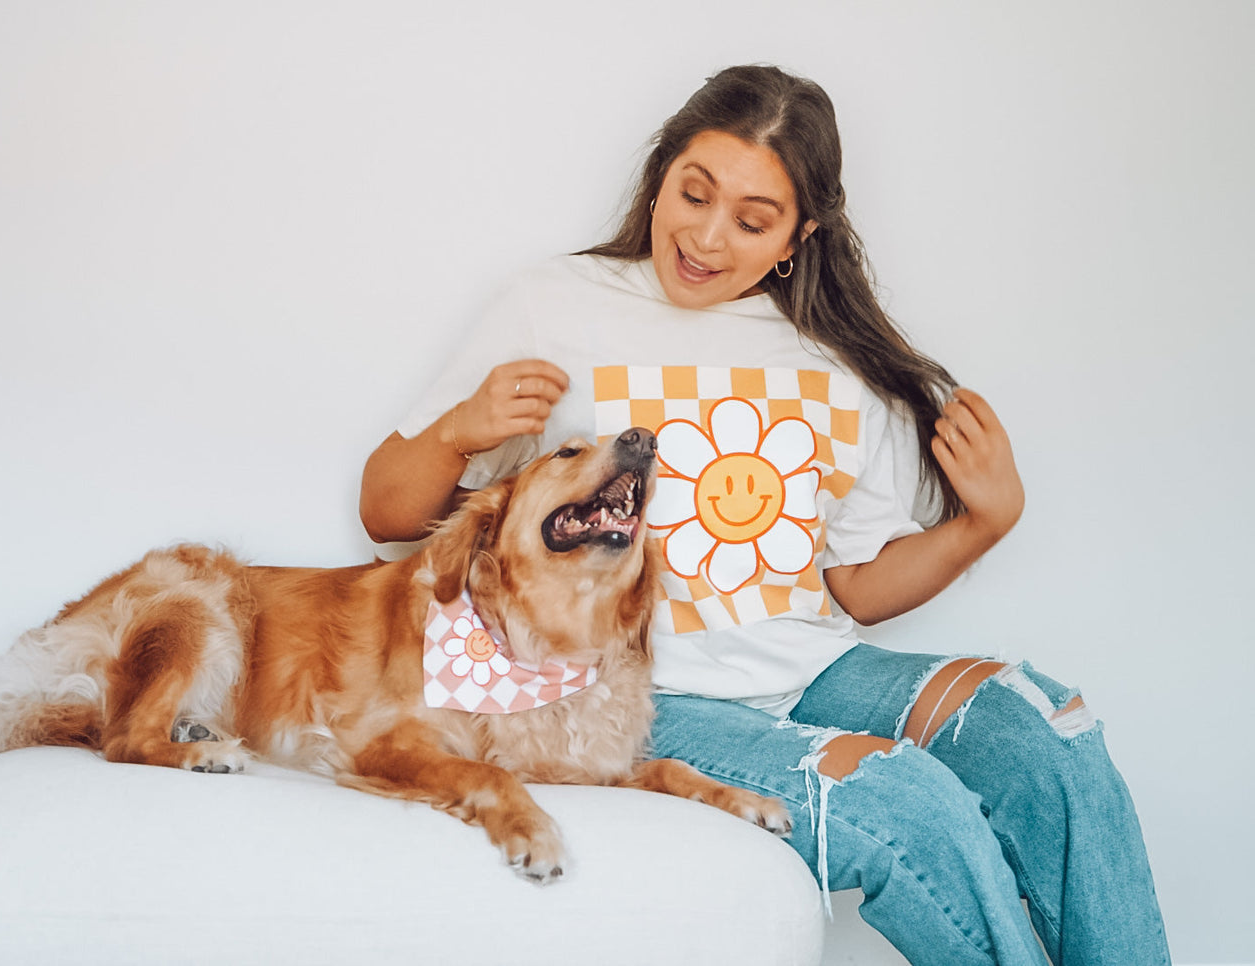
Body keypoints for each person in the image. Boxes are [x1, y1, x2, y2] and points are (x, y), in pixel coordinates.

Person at [359, 64, 1169, 965]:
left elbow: (854, 590)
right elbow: (386, 513)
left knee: (1043, 728)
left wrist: (982, 524)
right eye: (692, 194)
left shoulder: (833, 363)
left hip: (809, 670)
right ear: (658, 177)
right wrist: (459, 431)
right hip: (629, 694)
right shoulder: (553, 306)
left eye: (750, 221)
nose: (705, 237)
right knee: (913, 806)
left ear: (797, 236)